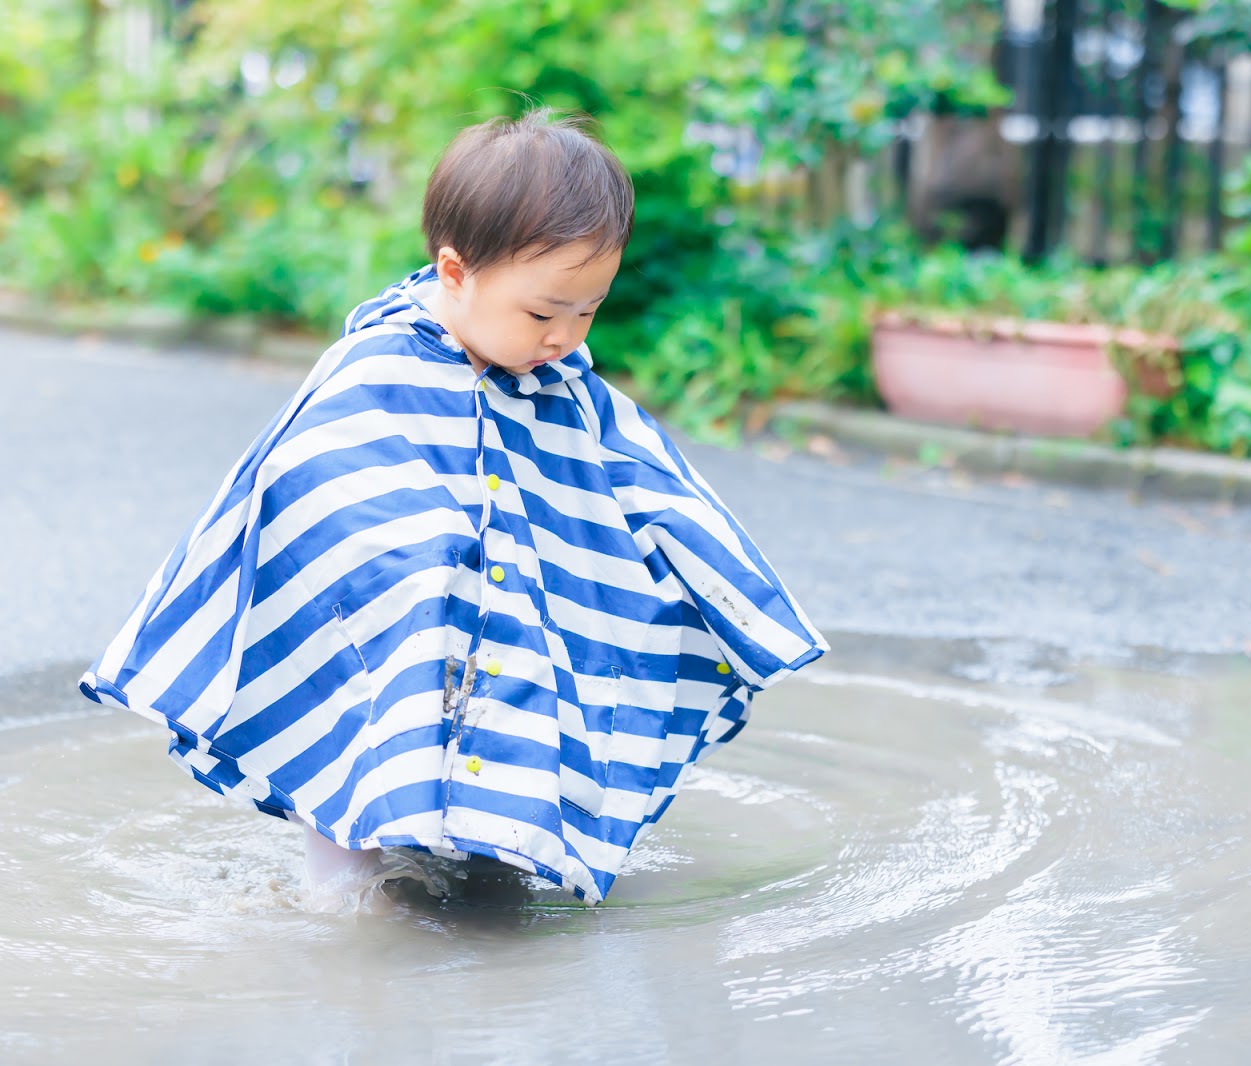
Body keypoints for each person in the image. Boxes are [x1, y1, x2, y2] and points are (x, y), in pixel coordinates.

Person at [79, 109, 829, 906]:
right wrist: (427, 551)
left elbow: (638, 479)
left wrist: (718, 581)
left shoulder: (559, 380)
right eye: (543, 313)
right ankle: (337, 893)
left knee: (532, 695)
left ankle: (494, 845)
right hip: (382, 626)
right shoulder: (378, 364)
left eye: (589, 310)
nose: (567, 337)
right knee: (367, 732)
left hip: (506, 618)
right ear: (454, 273)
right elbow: (306, 488)